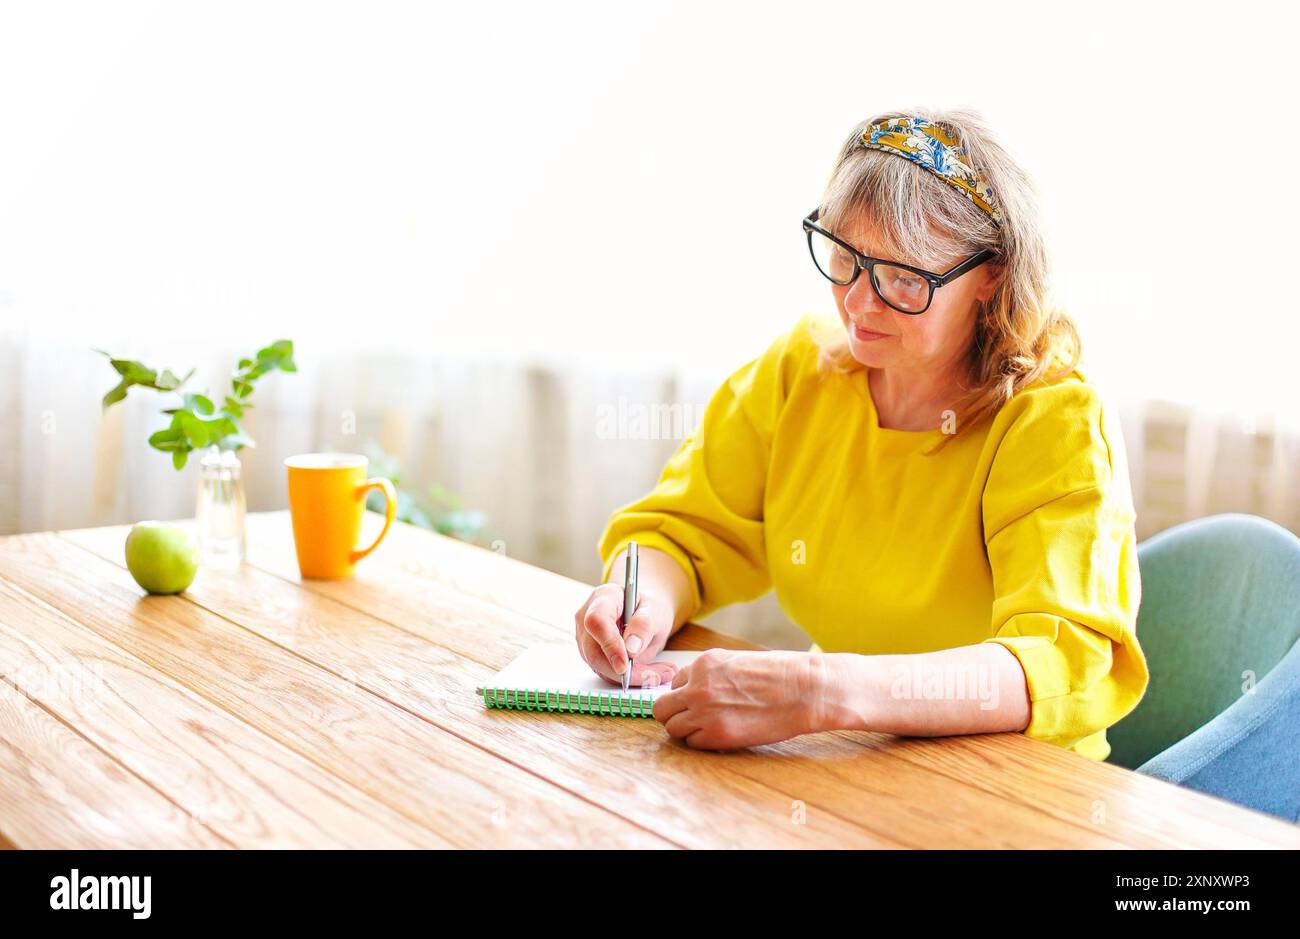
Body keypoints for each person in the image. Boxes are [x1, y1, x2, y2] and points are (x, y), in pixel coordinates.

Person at [575, 109, 1148, 759]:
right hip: (855, 751)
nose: (858, 303)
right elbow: (685, 531)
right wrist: (640, 598)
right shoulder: (803, 370)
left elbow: (1057, 660)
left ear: (991, 276)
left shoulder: (1052, 422)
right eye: (845, 258)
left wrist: (824, 689)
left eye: (904, 280)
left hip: (1016, 779)